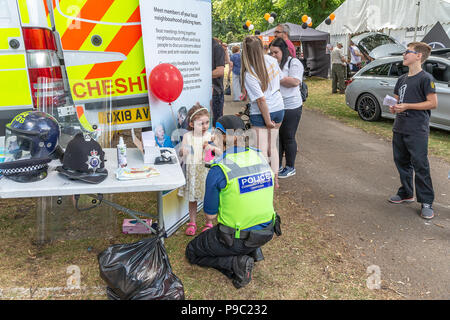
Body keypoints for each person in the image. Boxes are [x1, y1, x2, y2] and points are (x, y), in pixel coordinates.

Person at [185, 115, 280, 289]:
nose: (212, 137)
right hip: (267, 231)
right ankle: (253, 250)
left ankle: (237, 262)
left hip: (236, 237)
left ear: (221, 137)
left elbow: (210, 215)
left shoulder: (219, 169)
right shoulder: (260, 157)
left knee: (192, 251)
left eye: (215, 133)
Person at [388, 42, 438, 220]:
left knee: (420, 165)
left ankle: (426, 202)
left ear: (418, 56)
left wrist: (408, 105)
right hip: (400, 128)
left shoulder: (426, 78)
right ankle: (407, 193)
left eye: (407, 52)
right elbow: (396, 101)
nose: (404, 55)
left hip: (417, 130)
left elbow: (432, 103)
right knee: (402, 163)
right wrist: (394, 108)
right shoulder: (401, 79)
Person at [240, 35, 285, 188]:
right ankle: (275, 179)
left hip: (262, 113)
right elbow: (279, 80)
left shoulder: (249, 73)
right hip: (278, 107)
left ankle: (266, 182)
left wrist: (266, 121)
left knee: (261, 150)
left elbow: (261, 100)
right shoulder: (272, 60)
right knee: (273, 146)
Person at [178, 104, 219, 235]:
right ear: (191, 124)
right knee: (193, 198)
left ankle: (209, 222)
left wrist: (212, 148)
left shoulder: (211, 136)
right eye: (201, 124)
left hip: (208, 172)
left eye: (207, 122)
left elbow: (220, 152)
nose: (205, 126)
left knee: (210, 197)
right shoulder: (187, 137)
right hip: (194, 172)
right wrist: (183, 150)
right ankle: (192, 222)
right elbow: (181, 152)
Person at [269, 38, 304, 178]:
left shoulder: (293, 62)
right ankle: (277, 165)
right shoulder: (273, 63)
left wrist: (277, 76)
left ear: (283, 51)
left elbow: (294, 82)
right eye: (271, 53)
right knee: (279, 137)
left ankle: (290, 166)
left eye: (276, 52)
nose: (273, 55)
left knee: (288, 136)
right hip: (278, 105)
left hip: (292, 106)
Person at [212, 38, 225, 127]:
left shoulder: (216, 47)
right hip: (202, 92)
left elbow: (220, 71)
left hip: (215, 93)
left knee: (217, 124)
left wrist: (200, 77)